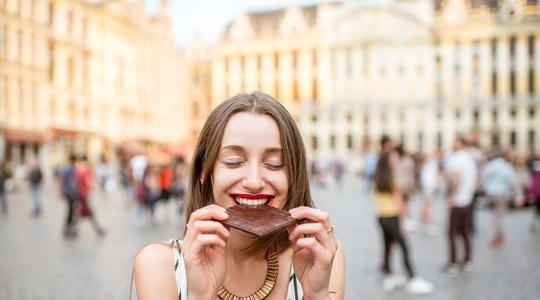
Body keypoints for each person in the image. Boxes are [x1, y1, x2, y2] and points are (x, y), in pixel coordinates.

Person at [133, 92, 345, 299]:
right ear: (203, 171)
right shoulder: (159, 265)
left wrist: (317, 295)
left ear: (294, 175)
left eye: (274, 164)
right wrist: (199, 296)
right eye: (233, 161)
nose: (254, 181)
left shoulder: (321, 257)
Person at [373, 151, 434, 295]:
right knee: (404, 247)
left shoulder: (378, 178)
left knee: (387, 246)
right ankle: (412, 277)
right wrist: (403, 221)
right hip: (393, 217)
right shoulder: (392, 179)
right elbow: (398, 202)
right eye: (393, 159)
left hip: (382, 217)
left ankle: (389, 276)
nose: (396, 161)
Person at [443, 135, 478, 275]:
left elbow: (456, 179)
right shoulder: (470, 159)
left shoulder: (457, 158)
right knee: (465, 232)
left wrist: (451, 197)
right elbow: (476, 181)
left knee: (452, 232)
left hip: (458, 200)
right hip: (467, 200)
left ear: (460, 144)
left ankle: (453, 262)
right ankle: (467, 260)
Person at [482, 148, 523, 248]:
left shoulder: (489, 166)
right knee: (499, 216)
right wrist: (518, 194)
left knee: (495, 215)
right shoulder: (506, 166)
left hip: (491, 193)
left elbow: (484, 179)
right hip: (502, 193)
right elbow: (512, 181)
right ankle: (496, 237)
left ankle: (499, 236)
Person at [74, 155, 105, 237]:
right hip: (84, 193)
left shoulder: (78, 170)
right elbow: (88, 181)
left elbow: (75, 180)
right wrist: (92, 186)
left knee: (82, 212)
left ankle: (74, 229)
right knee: (87, 212)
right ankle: (98, 229)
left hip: (80, 194)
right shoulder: (87, 170)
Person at [59, 155, 78, 238]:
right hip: (73, 193)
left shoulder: (65, 170)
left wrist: (61, 193)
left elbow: (62, 182)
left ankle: (68, 228)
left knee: (70, 211)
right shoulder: (74, 170)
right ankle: (70, 229)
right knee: (72, 211)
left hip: (68, 193)